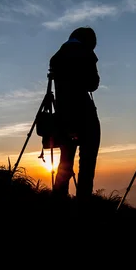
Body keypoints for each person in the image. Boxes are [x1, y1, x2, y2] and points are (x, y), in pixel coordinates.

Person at [49, 27, 101, 200]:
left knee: (65, 162)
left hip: (64, 117)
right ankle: (83, 204)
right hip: (85, 115)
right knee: (87, 163)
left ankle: (59, 201)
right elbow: (92, 84)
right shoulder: (85, 54)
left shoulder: (57, 57)